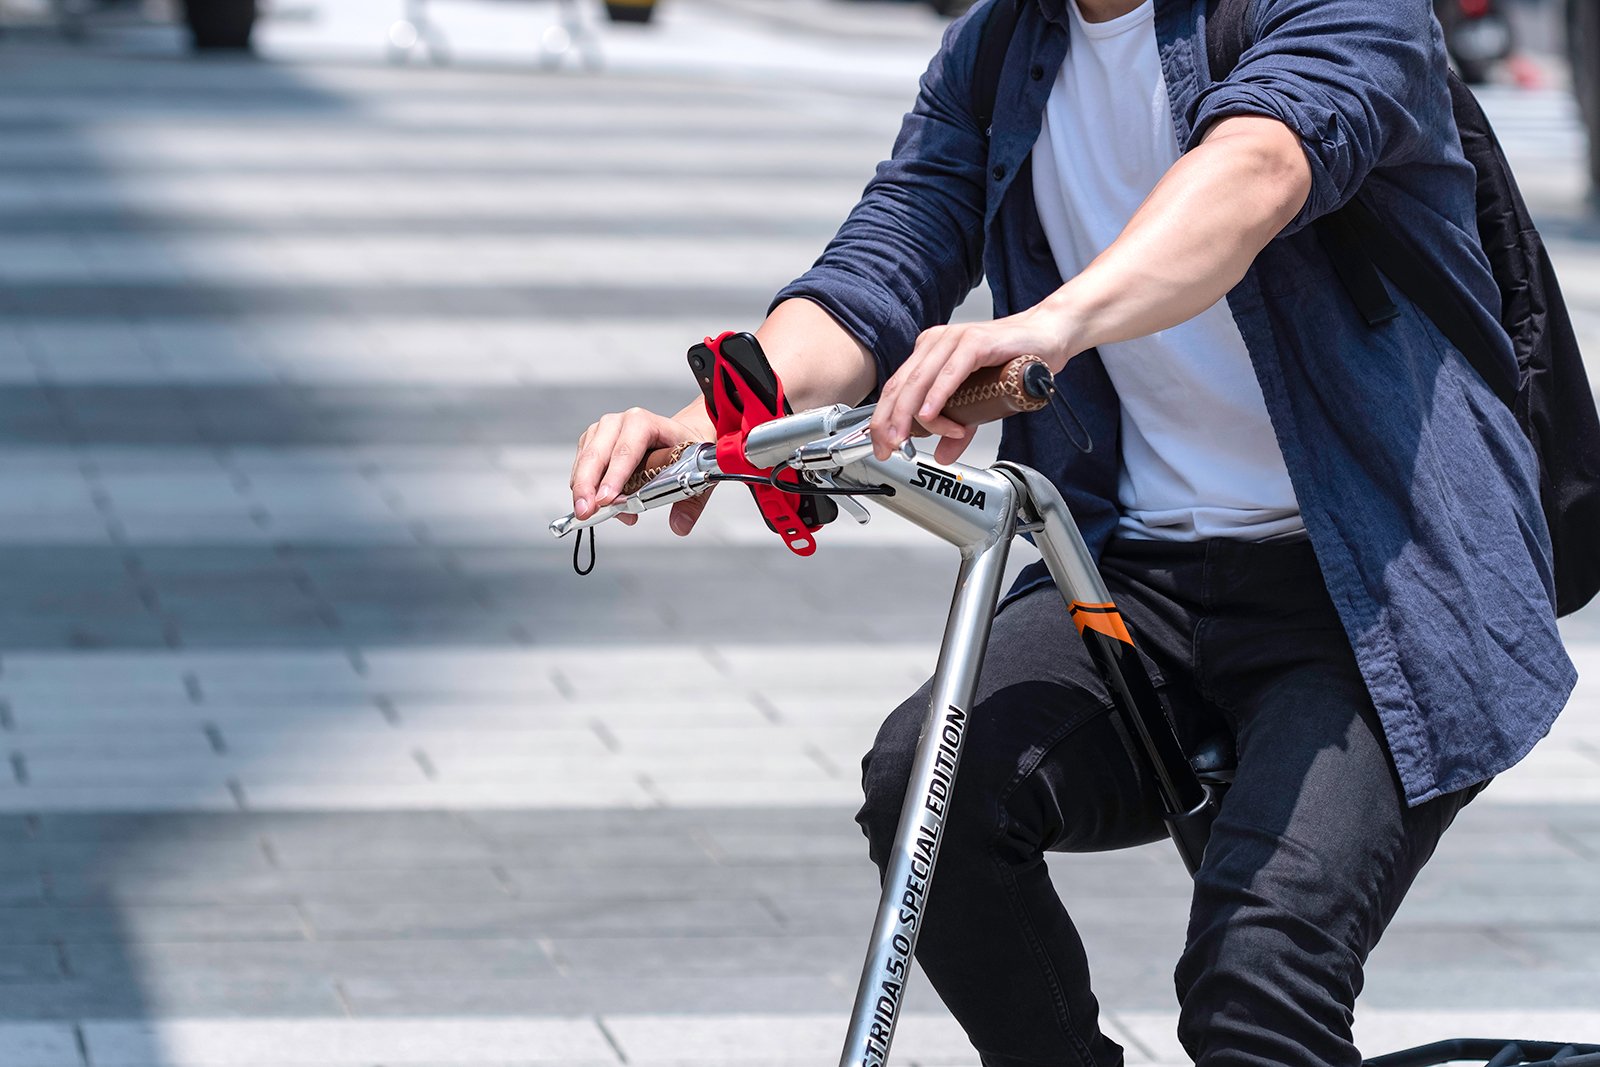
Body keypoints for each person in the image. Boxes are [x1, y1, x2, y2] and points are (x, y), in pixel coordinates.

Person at [567, 0, 1577, 1064]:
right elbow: (886, 259)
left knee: (1257, 986)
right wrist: (713, 421)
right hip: (1132, 573)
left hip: (1379, 575)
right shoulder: (999, 47)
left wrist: (1054, 319)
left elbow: (1258, 168)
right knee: (930, 793)